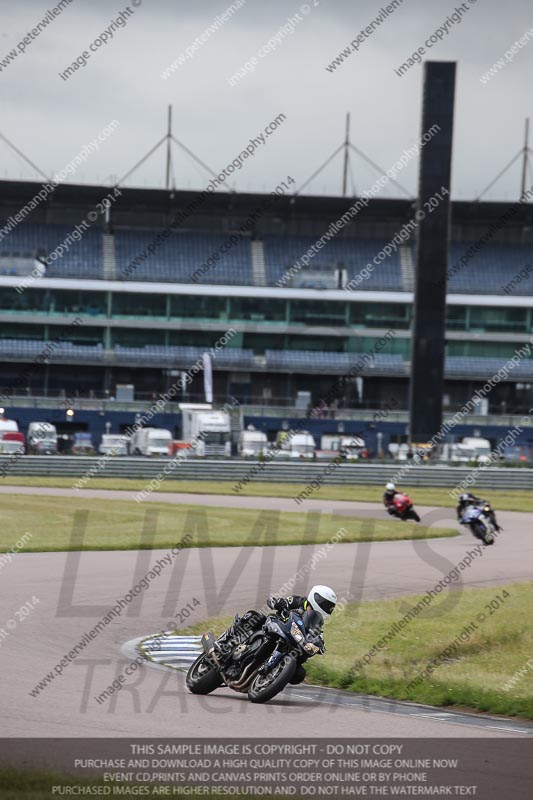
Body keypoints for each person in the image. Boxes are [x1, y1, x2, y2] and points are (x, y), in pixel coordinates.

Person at [213, 585, 337, 682]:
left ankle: (271, 678)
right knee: (255, 616)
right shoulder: (298, 601)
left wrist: (319, 646)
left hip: (290, 643)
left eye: (329, 607)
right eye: (325, 604)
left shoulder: (317, 623)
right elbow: (279, 601)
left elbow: (318, 637)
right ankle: (225, 642)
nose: (327, 608)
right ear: (316, 598)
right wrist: (278, 602)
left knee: (300, 674)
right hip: (273, 628)